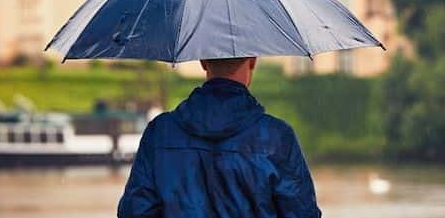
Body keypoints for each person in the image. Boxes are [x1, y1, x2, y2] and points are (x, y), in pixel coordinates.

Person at [118, 57, 322, 218]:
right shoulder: (277, 137)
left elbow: (134, 211)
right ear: (252, 60)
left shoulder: (159, 133)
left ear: (203, 62)